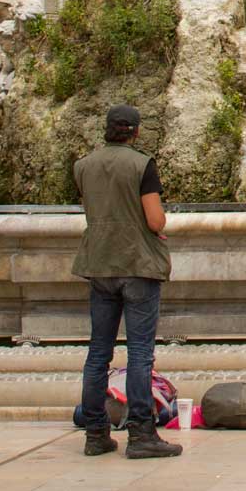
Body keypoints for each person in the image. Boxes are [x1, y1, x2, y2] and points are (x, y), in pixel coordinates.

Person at [73, 104, 181, 459]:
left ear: (107, 129)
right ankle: (141, 434)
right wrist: (158, 223)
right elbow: (155, 220)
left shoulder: (83, 166)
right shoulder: (142, 164)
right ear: (135, 131)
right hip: (136, 264)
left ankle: (95, 433)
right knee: (139, 354)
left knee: (98, 354)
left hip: (99, 264)